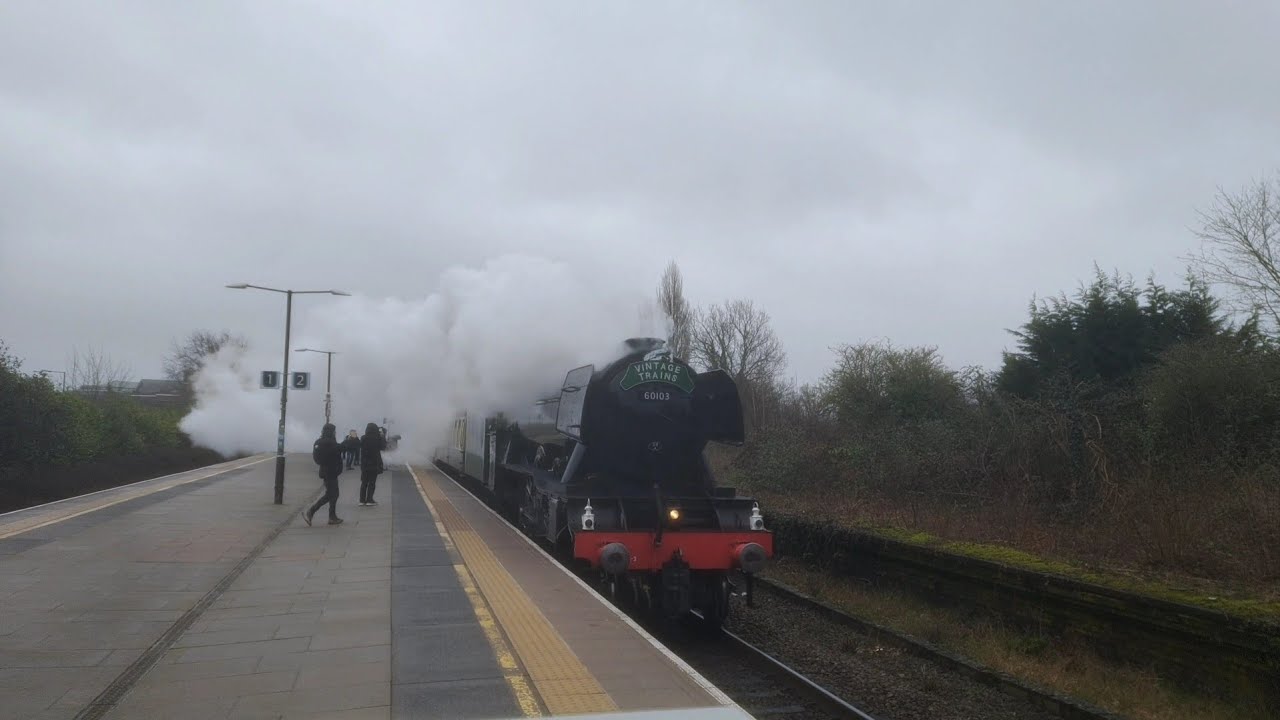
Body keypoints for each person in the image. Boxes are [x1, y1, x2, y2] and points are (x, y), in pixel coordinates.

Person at [305, 423, 344, 526]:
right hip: (330, 472)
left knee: (333, 494)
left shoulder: (320, 442)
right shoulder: (329, 443)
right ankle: (311, 511)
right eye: (334, 431)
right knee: (331, 494)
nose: (335, 433)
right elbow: (340, 448)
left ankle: (332, 516)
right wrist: (351, 440)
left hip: (326, 471)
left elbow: (318, 458)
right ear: (331, 431)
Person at [359, 421, 387, 506]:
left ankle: (361, 500)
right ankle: (369, 500)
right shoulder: (377, 438)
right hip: (374, 463)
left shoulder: (363, 438)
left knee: (364, 482)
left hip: (364, 463)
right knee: (372, 482)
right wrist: (382, 436)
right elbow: (383, 447)